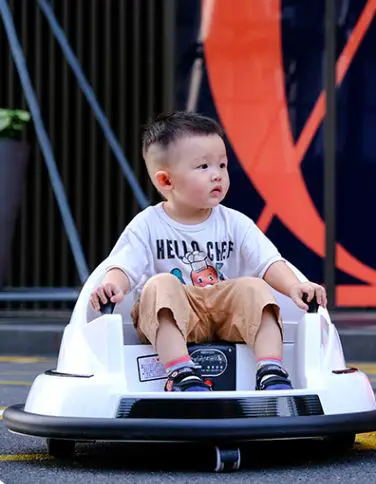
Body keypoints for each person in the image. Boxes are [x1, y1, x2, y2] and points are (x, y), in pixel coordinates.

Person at [89, 111, 326, 391]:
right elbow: (123, 265)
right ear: (166, 181)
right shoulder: (147, 224)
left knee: (254, 287)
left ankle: (271, 370)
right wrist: (111, 286)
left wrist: (295, 287)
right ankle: (180, 373)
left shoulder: (235, 222)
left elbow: (268, 262)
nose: (218, 175)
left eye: (222, 165)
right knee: (160, 285)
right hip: (175, 317)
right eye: (203, 167)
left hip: (225, 313)